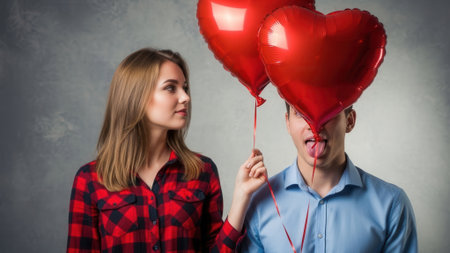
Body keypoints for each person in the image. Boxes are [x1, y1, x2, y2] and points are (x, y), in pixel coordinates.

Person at [67, 48, 267, 252]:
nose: (185, 97)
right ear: (137, 96)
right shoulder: (90, 179)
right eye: (171, 88)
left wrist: (242, 196)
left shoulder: (202, 170)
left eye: (185, 88)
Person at [238, 104, 418, 252]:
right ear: (288, 123)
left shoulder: (392, 204)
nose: (314, 125)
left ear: (350, 121)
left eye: (328, 111)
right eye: (301, 113)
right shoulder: (259, 202)